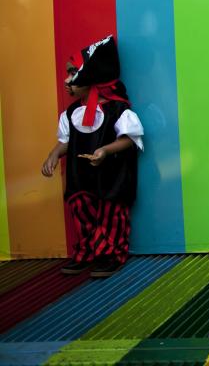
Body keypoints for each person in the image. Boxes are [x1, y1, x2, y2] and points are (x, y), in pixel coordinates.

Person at [41, 36, 143, 278]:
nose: (67, 81)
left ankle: (111, 254)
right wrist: (54, 154)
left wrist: (106, 150)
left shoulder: (117, 109)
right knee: (81, 210)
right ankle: (86, 251)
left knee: (111, 214)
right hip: (81, 175)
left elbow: (130, 138)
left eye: (73, 74)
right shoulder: (71, 113)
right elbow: (65, 141)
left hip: (111, 175)